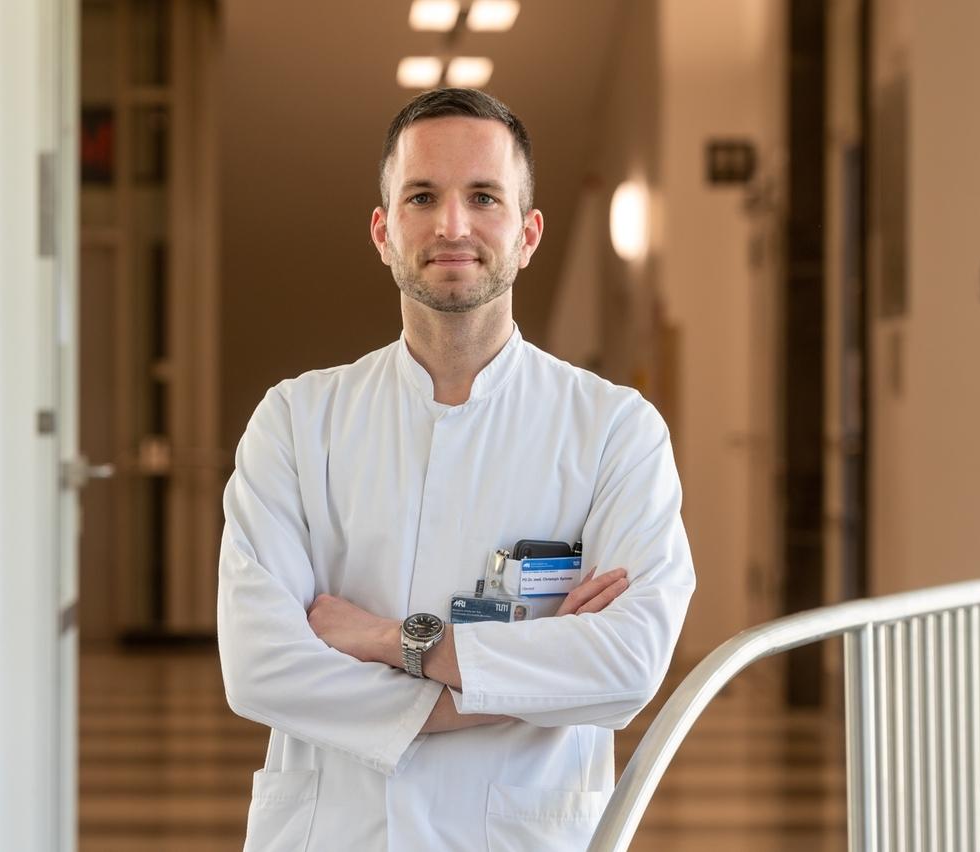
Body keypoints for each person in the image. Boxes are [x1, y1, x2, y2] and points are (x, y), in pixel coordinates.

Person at [218, 87, 695, 851]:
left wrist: (391, 640)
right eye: (421, 197)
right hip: (336, 830)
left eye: (483, 197)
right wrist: (513, 687)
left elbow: (627, 663)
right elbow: (260, 666)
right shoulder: (296, 421)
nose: (452, 225)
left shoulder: (615, 430)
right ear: (382, 230)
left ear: (528, 233)